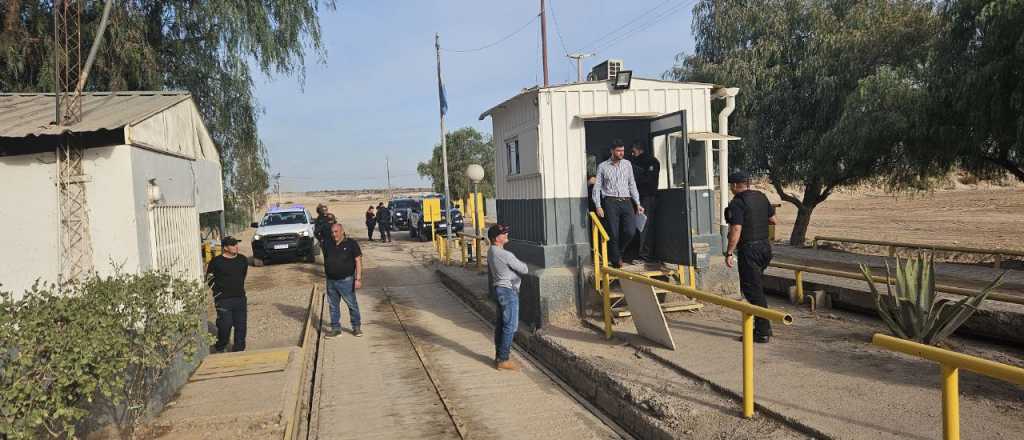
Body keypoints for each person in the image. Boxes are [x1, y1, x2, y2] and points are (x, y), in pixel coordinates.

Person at [724, 172, 777, 343]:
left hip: (750, 250)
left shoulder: (737, 203)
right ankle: (765, 325)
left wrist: (729, 252)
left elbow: (736, 230)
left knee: (752, 291)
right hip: (765, 248)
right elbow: (774, 220)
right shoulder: (761, 197)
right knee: (757, 287)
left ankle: (762, 331)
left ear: (734, 186)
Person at [592, 139, 645, 268]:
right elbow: (597, 186)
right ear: (612, 151)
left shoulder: (627, 164)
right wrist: (598, 205)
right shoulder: (603, 166)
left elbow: (632, 184)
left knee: (630, 231)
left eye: (622, 150)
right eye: (618, 151)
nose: (621, 153)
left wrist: (637, 203)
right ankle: (616, 260)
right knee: (613, 233)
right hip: (610, 201)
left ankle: (617, 253)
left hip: (626, 201)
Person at [487, 224, 528, 371]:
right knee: (510, 326)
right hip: (508, 292)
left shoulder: (491, 251)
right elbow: (524, 268)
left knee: (501, 325)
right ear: (496, 238)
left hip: (499, 290)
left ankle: (499, 356)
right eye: (503, 233)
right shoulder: (505, 254)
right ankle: (503, 359)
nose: (506, 235)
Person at [206, 236, 248, 352]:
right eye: (233, 244)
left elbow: (243, 275)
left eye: (236, 244)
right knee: (225, 325)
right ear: (225, 248)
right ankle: (220, 346)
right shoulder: (216, 262)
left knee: (241, 326)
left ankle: (239, 350)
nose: (236, 246)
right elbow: (209, 279)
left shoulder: (242, 260)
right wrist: (218, 292)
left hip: (240, 298)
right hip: (223, 299)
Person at [323, 223, 364, 337]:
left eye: (336, 232)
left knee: (352, 305)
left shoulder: (351, 243)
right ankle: (335, 329)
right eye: (332, 232)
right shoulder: (327, 243)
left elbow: (358, 260)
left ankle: (356, 327)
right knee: (333, 306)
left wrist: (358, 278)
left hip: (346, 281)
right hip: (331, 281)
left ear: (342, 232)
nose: (334, 234)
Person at [627, 139, 661, 261]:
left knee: (644, 225)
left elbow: (648, 180)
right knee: (641, 225)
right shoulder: (648, 161)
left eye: (633, 151)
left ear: (638, 149)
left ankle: (644, 255)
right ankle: (642, 253)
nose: (632, 153)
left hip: (646, 197)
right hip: (643, 197)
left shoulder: (647, 162)